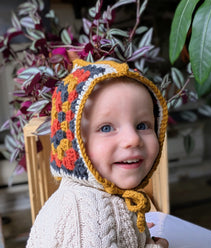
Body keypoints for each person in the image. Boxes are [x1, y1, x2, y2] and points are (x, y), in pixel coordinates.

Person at [26, 59, 169, 248]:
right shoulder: (86, 214)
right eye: (106, 128)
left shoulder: (105, 194)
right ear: (74, 144)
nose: (132, 139)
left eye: (142, 125)